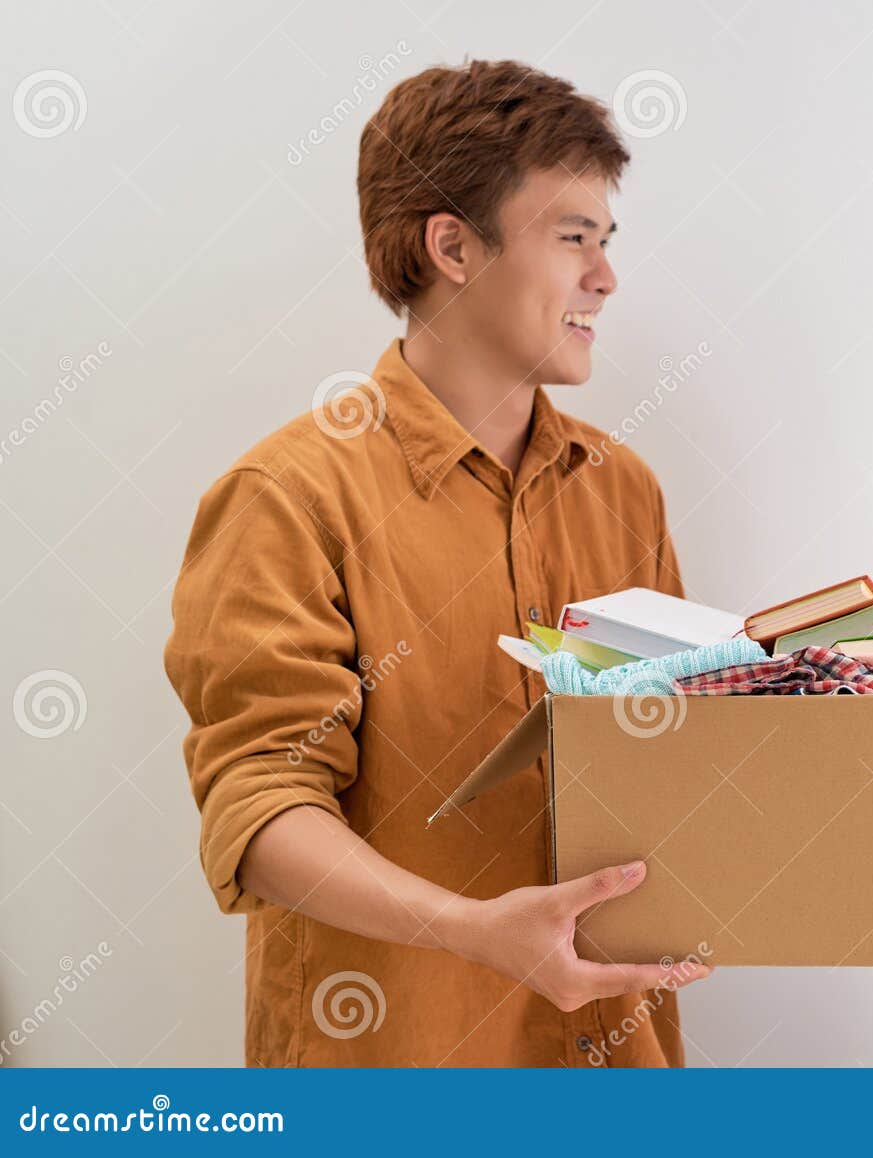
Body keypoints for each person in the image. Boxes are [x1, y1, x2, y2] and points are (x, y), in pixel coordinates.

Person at [164, 60, 708, 1067]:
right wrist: (471, 929)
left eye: (606, 240)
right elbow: (262, 803)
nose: (606, 276)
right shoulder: (287, 494)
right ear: (452, 246)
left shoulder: (621, 485)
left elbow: (670, 746)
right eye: (573, 237)